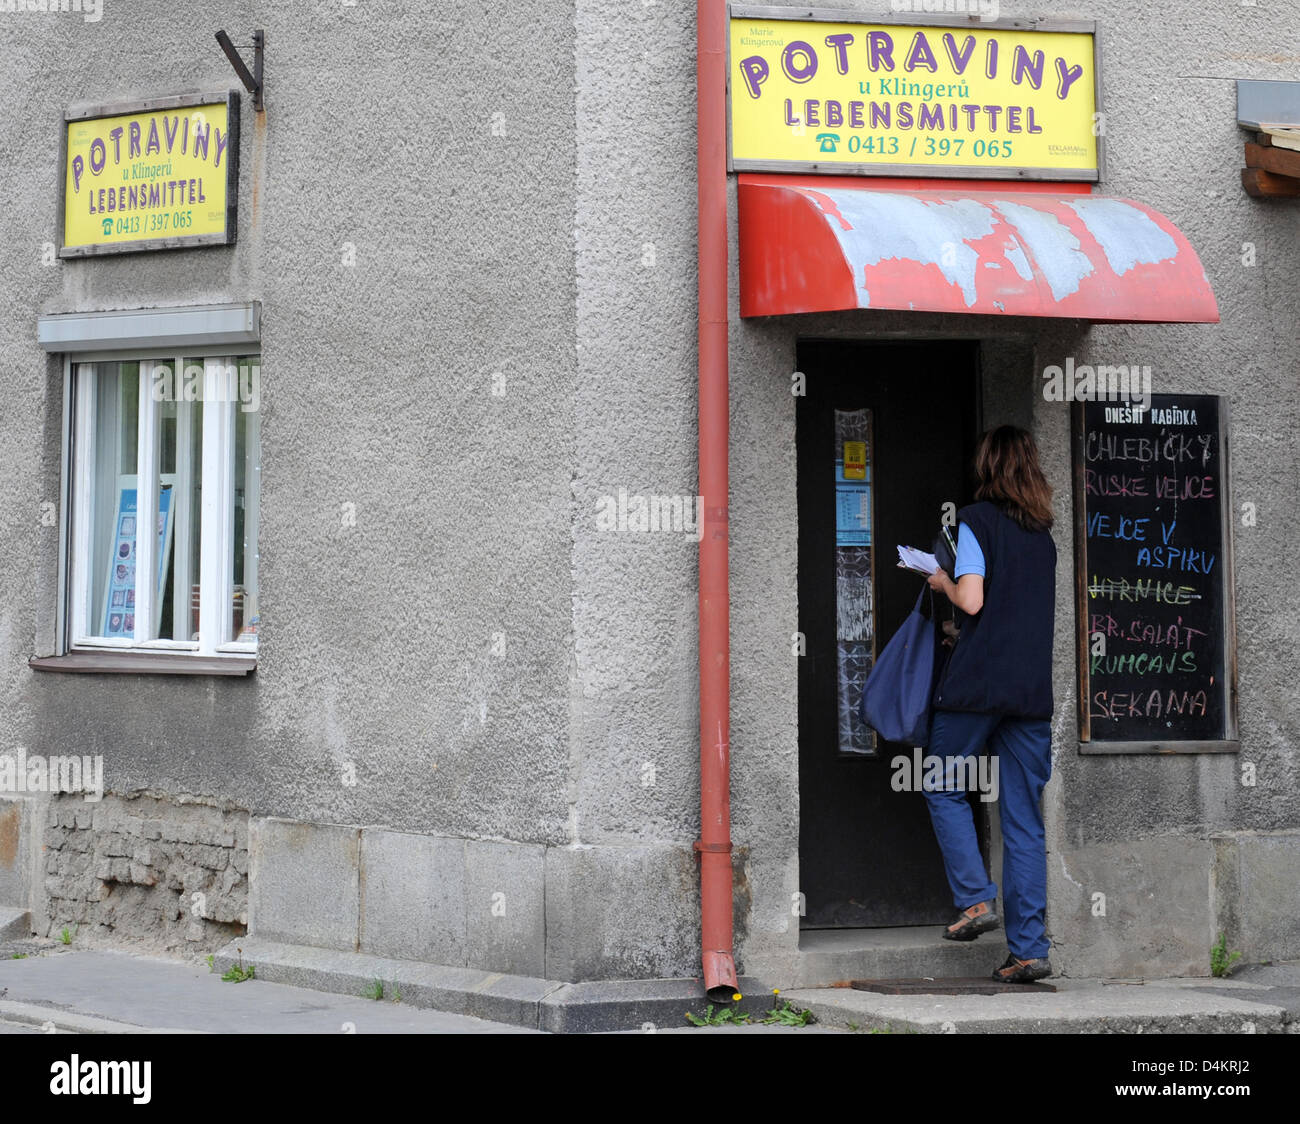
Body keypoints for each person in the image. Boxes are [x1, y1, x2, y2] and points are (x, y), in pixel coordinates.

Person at [923, 425, 1057, 983]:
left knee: (939, 780)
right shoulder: (1043, 536)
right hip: (1029, 694)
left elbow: (973, 600)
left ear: (988, 467)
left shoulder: (976, 521)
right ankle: (1029, 950)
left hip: (979, 686)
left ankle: (976, 900)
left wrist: (940, 582)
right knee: (1024, 820)